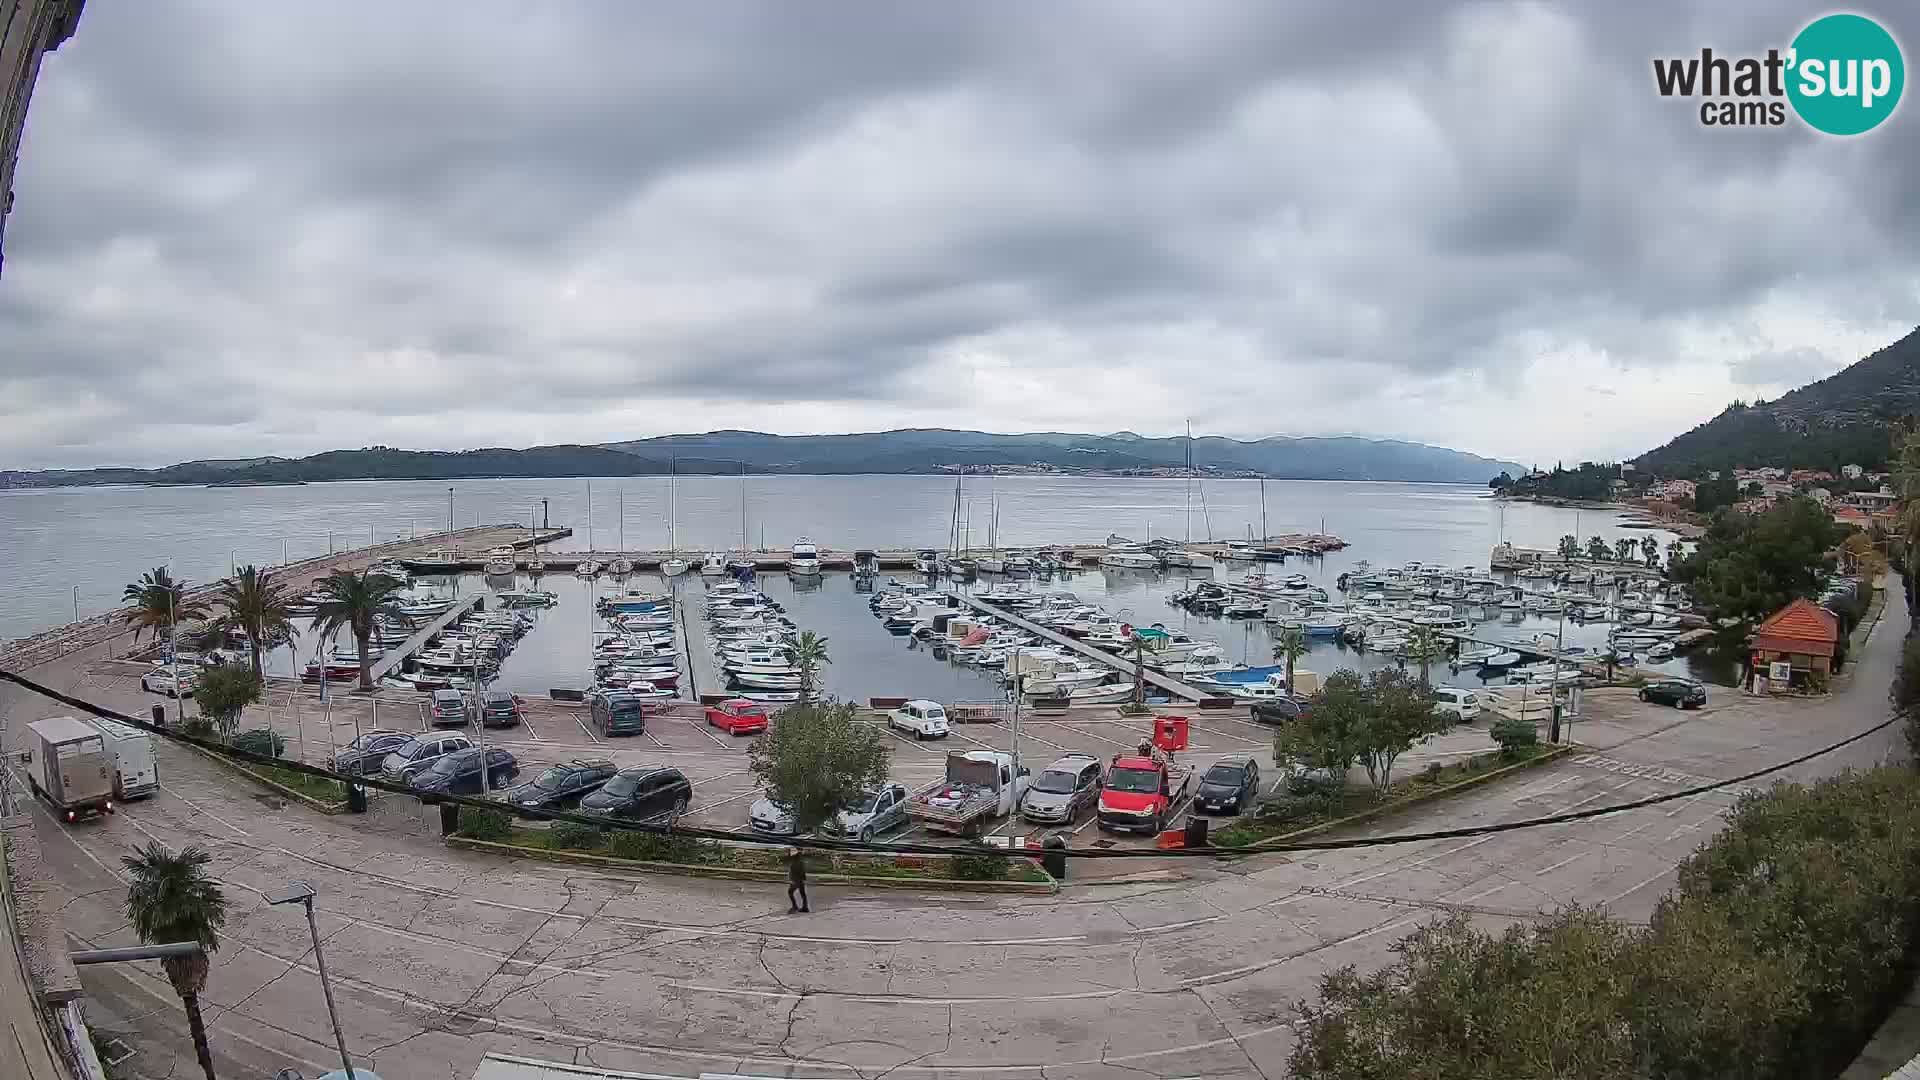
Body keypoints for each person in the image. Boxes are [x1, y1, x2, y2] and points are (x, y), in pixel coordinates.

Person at [786, 846, 809, 913]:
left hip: (796, 880)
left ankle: (795, 906)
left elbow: (795, 871)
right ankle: (805, 907)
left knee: (790, 892)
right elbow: (802, 870)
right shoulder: (799, 859)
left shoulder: (796, 860)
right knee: (803, 893)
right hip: (800, 879)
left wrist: (793, 880)